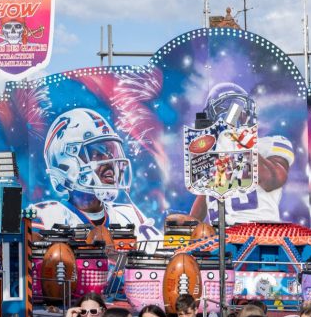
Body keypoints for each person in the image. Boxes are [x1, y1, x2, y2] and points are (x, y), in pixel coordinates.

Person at [32, 107, 161, 242]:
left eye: (110, 152)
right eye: (97, 153)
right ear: (67, 162)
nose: (109, 161)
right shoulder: (47, 217)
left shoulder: (129, 215)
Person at [185, 83, 296, 224]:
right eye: (227, 109)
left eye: (239, 109)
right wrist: (191, 224)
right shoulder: (214, 154)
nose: (237, 114)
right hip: (222, 238)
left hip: (261, 233)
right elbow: (206, 195)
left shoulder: (270, 144)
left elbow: (271, 181)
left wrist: (244, 144)